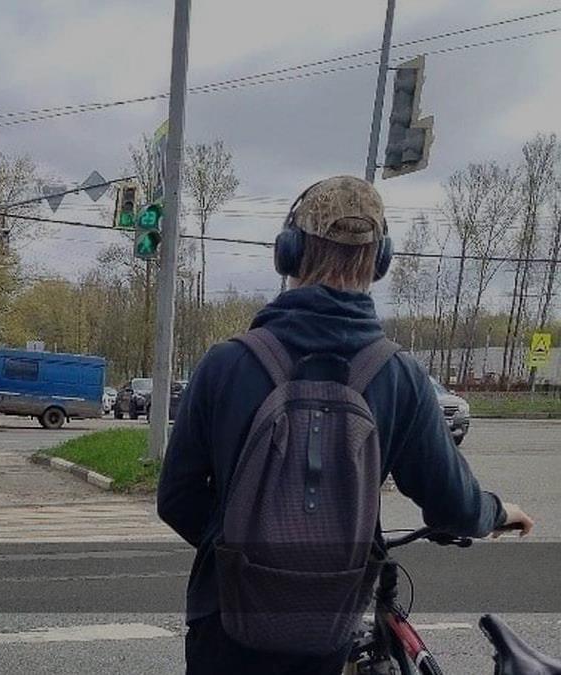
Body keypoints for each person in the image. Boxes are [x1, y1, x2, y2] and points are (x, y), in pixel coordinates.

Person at [156, 177, 534, 675]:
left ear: (288, 252)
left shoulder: (226, 364)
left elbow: (176, 498)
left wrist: (243, 552)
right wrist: (497, 511)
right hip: (324, 628)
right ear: (380, 261)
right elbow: (454, 507)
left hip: (225, 621)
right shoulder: (399, 376)